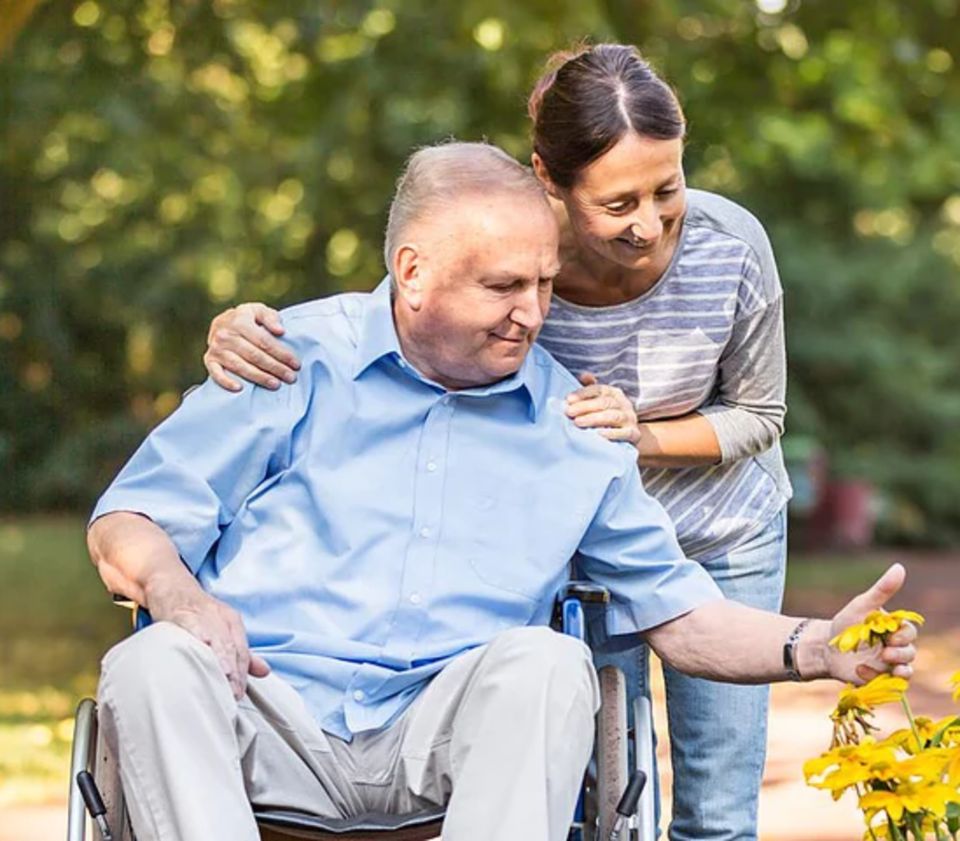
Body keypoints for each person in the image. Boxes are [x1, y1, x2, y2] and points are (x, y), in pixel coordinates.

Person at [90, 142, 916, 841]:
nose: (533, 313)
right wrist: (178, 594)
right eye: (503, 287)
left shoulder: (574, 428)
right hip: (266, 706)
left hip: (443, 734)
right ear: (412, 272)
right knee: (155, 659)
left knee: (553, 662)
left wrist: (814, 647)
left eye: (545, 284)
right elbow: (128, 519)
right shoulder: (283, 357)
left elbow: (684, 616)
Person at [203, 44, 793, 840]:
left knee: (717, 802)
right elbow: (417, 306)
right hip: (571, 536)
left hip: (720, 526)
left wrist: (637, 435)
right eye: (619, 203)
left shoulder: (731, 247)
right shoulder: (513, 253)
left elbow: (761, 412)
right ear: (551, 181)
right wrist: (243, 328)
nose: (648, 224)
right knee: (602, 786)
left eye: (668, 189)